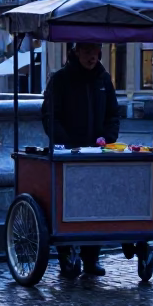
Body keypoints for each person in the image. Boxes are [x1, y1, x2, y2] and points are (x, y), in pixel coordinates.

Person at [41, 41, 120, 277]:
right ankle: (66, 254)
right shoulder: (60, 79)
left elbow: (113, 114)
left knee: (96, 204)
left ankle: (91, 257)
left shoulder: (103, 79)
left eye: (95, 52)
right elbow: (50, 116)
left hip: (97, 154)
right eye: (86, 52)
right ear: (76, 52)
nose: (91, 57)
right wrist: (66, 143)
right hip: (69, 154)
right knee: (68, 204)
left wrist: (107, 138)